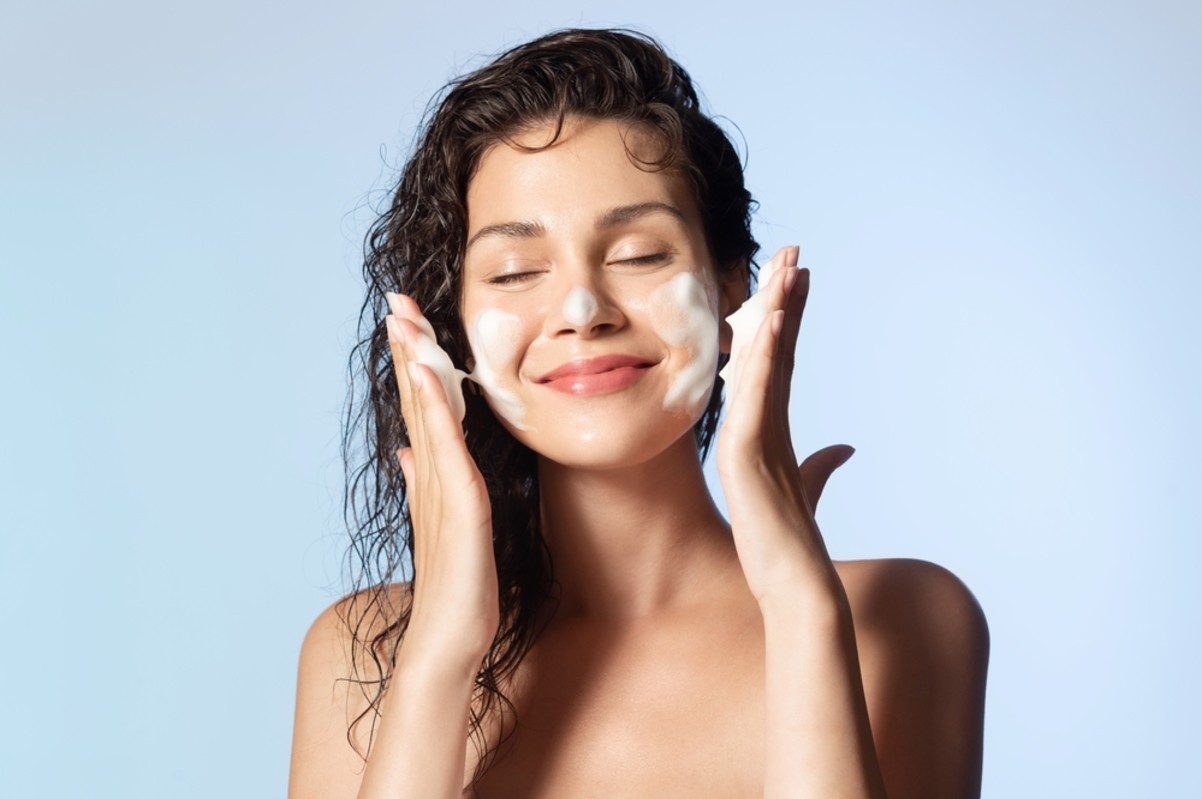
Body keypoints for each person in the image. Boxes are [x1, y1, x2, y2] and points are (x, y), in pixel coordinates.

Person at [288, 28, 989, 799]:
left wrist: (798, 608)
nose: (582, 310)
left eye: (639, 254)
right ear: (451, 332)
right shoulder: (363, 656)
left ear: (732, 289)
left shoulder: (902, 619)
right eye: (517, 270)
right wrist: (442, 650)